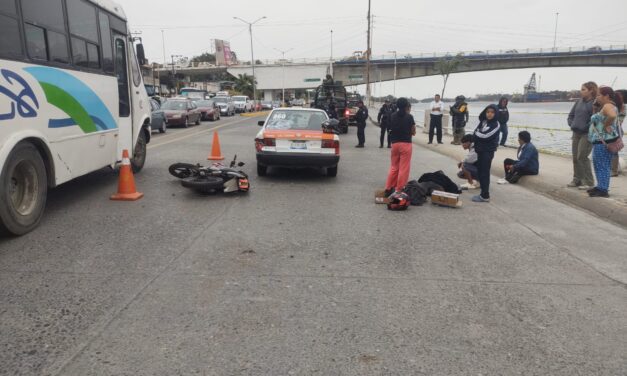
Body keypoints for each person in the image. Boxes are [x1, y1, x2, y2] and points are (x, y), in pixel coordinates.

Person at [588, 86, 623, 198]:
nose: (597, 97)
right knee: (602, 165)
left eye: (599, 95)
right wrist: (596, 109)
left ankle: (603, 189)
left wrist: (606, 125)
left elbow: (611, 116)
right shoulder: (611, 105)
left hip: (602, 141)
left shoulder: (608, 105)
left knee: (601, 165)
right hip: (606, 140)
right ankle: (601, 186)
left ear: (606, 96)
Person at [567, 82, 597, 190]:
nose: (581, 91)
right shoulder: (578, 102)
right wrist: (572, 124)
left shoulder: (594, 103)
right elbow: (571, 115)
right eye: (581, 89)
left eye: (584, 89)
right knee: (575, 158)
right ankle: (577, 179)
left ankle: (589, 182)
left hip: (586, 134)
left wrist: (585, 127)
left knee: (582, 156)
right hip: (576, 133)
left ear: (591, 90)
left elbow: (594, 119)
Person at [384, 97, 416, 196]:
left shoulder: (392, 115)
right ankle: (399, 189)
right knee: (403, 168)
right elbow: (413, 131)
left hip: (395, 144)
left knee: (394, 167)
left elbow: (389, 128)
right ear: (406, 106)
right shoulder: (409, 117)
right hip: (406, 144)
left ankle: (388, 188)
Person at [471, 104, 501, 202]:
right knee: (480, 172)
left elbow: (486, 136)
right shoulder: (483, 122)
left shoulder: (496, 124)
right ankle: (482, 192)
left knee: (485, 173)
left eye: (492, 112)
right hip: (480, 150)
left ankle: (485, 196)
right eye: (488, 112)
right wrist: (478, 134)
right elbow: (475, 133)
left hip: (487, 152)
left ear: (495, 113)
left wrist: (477, 133)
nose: (489, 114)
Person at [610, 89, 626, 176]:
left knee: (614, 151)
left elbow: (618, 122)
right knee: (614, 151)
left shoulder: (620, 108)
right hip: (617, 130)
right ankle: (613, 169)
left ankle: (614, 170)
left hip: (616, 131)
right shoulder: (622, 107)